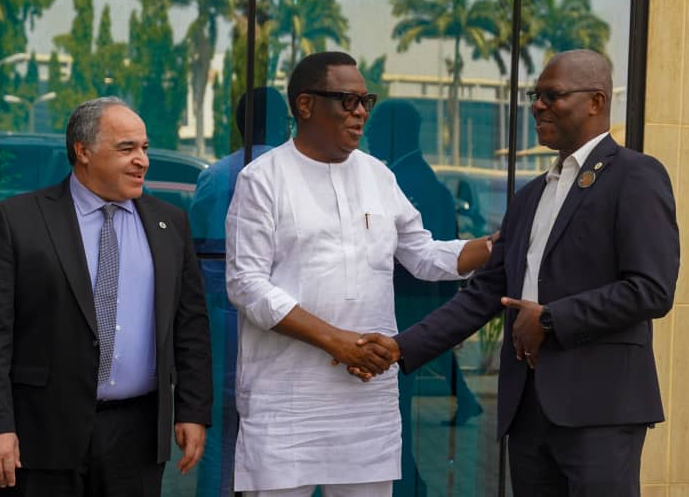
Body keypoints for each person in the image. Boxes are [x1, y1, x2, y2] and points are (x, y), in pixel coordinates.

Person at [357, 49, 680, 496]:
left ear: (596, 102)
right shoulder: (530, 197)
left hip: (601, 411)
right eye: (535, 95)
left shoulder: (635, 176)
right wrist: (399, 347)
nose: (538, 106)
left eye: (553, 95)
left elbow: (651, 289)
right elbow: (483, 295)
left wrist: (550, 318)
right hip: (527, 413)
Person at [224, 51, 493, 497]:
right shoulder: (262, 179)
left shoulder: (378, 176)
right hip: (287, 398)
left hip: (365, 399)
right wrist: (337, 342)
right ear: (305, 105)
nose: (362, 112)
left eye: (366, 101)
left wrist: (494, 246)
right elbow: (246, 286)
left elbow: (424, 255)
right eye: (348, 101)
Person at [0, 97, 213, 496]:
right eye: (127, 148)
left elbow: (191, 327)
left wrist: (193, 410)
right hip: (40, 432)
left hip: (136, 436)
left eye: (144, 148)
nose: (142, 161)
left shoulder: (170, 223)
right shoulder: (18, 220)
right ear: (83, 151)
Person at [365, 98, 483, 495]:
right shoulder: (413, 178)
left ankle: (409, 487)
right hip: (414, 312)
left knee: (394, 413)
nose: (367, 136)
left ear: (393, 134)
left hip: (408, 312)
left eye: (374, 129)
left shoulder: (407, 183)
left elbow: (429, 255)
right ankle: (411, 484)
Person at [188, 87, 290, 494]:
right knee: (285, 443)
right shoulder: (295, 176)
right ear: (285, 124)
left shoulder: (215, 176)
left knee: (220, 435)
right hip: (288, 324)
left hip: (223, 322)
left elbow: (198, 251)